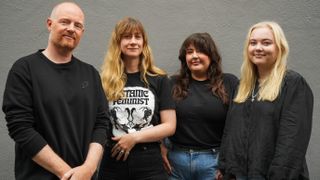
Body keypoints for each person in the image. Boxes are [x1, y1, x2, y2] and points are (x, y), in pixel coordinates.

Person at [2, 2, 110, 180]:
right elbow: (20, 128)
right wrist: (67, 174)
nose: (71, 29)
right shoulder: (25, 69)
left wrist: (89, 169)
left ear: (82, 32)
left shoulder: (90, 74)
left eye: (78, 25)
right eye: (65, 22)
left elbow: (101, 124)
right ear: (49, 24)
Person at [218, 21, 313, 180]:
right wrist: (225, 166)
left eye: (266, 43)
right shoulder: (242, 86)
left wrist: (279, 176)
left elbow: (292, 142)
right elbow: (231, 131)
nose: (258, 48)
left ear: (280, 48)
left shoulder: (293, 84)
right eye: (253, 43)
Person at [97, 17, 176, 180]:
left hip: (150, 163)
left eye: (137, 36)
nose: (133, 42)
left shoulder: (159, 79)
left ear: (144, 42)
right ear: (118, 42)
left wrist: (134, 137)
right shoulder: (104, 80)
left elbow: (170, 125)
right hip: (113, 161)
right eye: (127, 37)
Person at [160, 32, 238, 180]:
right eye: (189, 52)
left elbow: (237, 126)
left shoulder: (229, 83)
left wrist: (228, 162)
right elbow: (160, 118)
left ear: (211, 55)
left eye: (200, 51)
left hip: (214, 163)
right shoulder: (172, 84)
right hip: (176, 162)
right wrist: (161, 146)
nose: (194, 56)